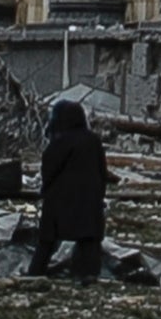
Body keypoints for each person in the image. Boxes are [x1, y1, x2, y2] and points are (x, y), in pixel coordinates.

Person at [36, 97, 112, 283]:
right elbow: (102, 171)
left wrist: (45, 191)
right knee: (89, 240)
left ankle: (36, 271)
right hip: (88, 201)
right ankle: (86, 274)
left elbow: (49, 168)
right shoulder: (93, 141)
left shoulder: (61, 142)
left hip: (60, 202)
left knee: (47, 240)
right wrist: (99, 195)